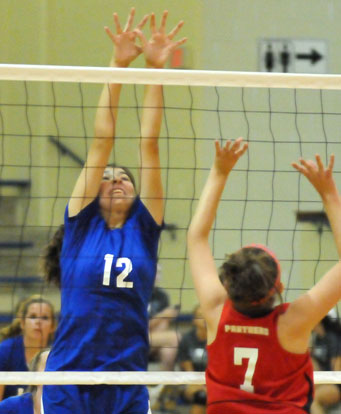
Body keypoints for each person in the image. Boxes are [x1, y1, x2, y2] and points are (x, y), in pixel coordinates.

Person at [42, 8, 186, 414]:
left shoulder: (144, 226)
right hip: (70, 375)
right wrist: (118, 64)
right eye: (107, 177)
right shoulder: (81, 226)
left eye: (124, 177)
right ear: (94, 191)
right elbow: (101, 140)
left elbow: (150, 145)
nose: (117, 179)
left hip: (126, 377)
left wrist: (156, 72)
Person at [187, 137, 341, 413]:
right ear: (277, 286)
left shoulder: (214, 308)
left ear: (228, 285)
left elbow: (196, 238)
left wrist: (219, 171)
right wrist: (329, 194)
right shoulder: (293, 322)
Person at [0, 297, 55, 402]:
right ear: (22, 323)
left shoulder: (57, 354)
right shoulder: (5, 350)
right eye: (33, 317)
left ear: (53, 326)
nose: (38, 322)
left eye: (44, 318)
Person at [148, 264, 180, 371]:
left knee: (168, 349)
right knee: (174, 337)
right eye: (155, 272)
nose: (157, 276)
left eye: (159, 273)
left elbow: (164, 324)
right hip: (135, 337)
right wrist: (163, 315)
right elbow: (140, 326)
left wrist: (165, 317)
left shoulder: (162, 295)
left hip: (154, 338)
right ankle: (164, 381)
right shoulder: (138, 292)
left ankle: (163, 385)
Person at [177, 305, 207, 414]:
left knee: (208, 397)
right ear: (194, 320)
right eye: (200, 316)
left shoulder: (217, 339)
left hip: (211, 381)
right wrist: (199, 385)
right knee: (201, 396)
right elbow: (187, 366)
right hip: (190, 380)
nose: (204, 319)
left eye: (206, 315)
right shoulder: (187, 339)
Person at [0, 349, 50, 414]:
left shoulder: (66, 406)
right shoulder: (11, 406)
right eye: (49, 364)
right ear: (34, 376)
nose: (55, 370)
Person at [310, 314, 341, 414]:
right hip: (324, 380)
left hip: (336, 384)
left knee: (313, 401)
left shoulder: (332, 338)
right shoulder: (318, 340)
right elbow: (317, 366)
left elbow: (337, 371)